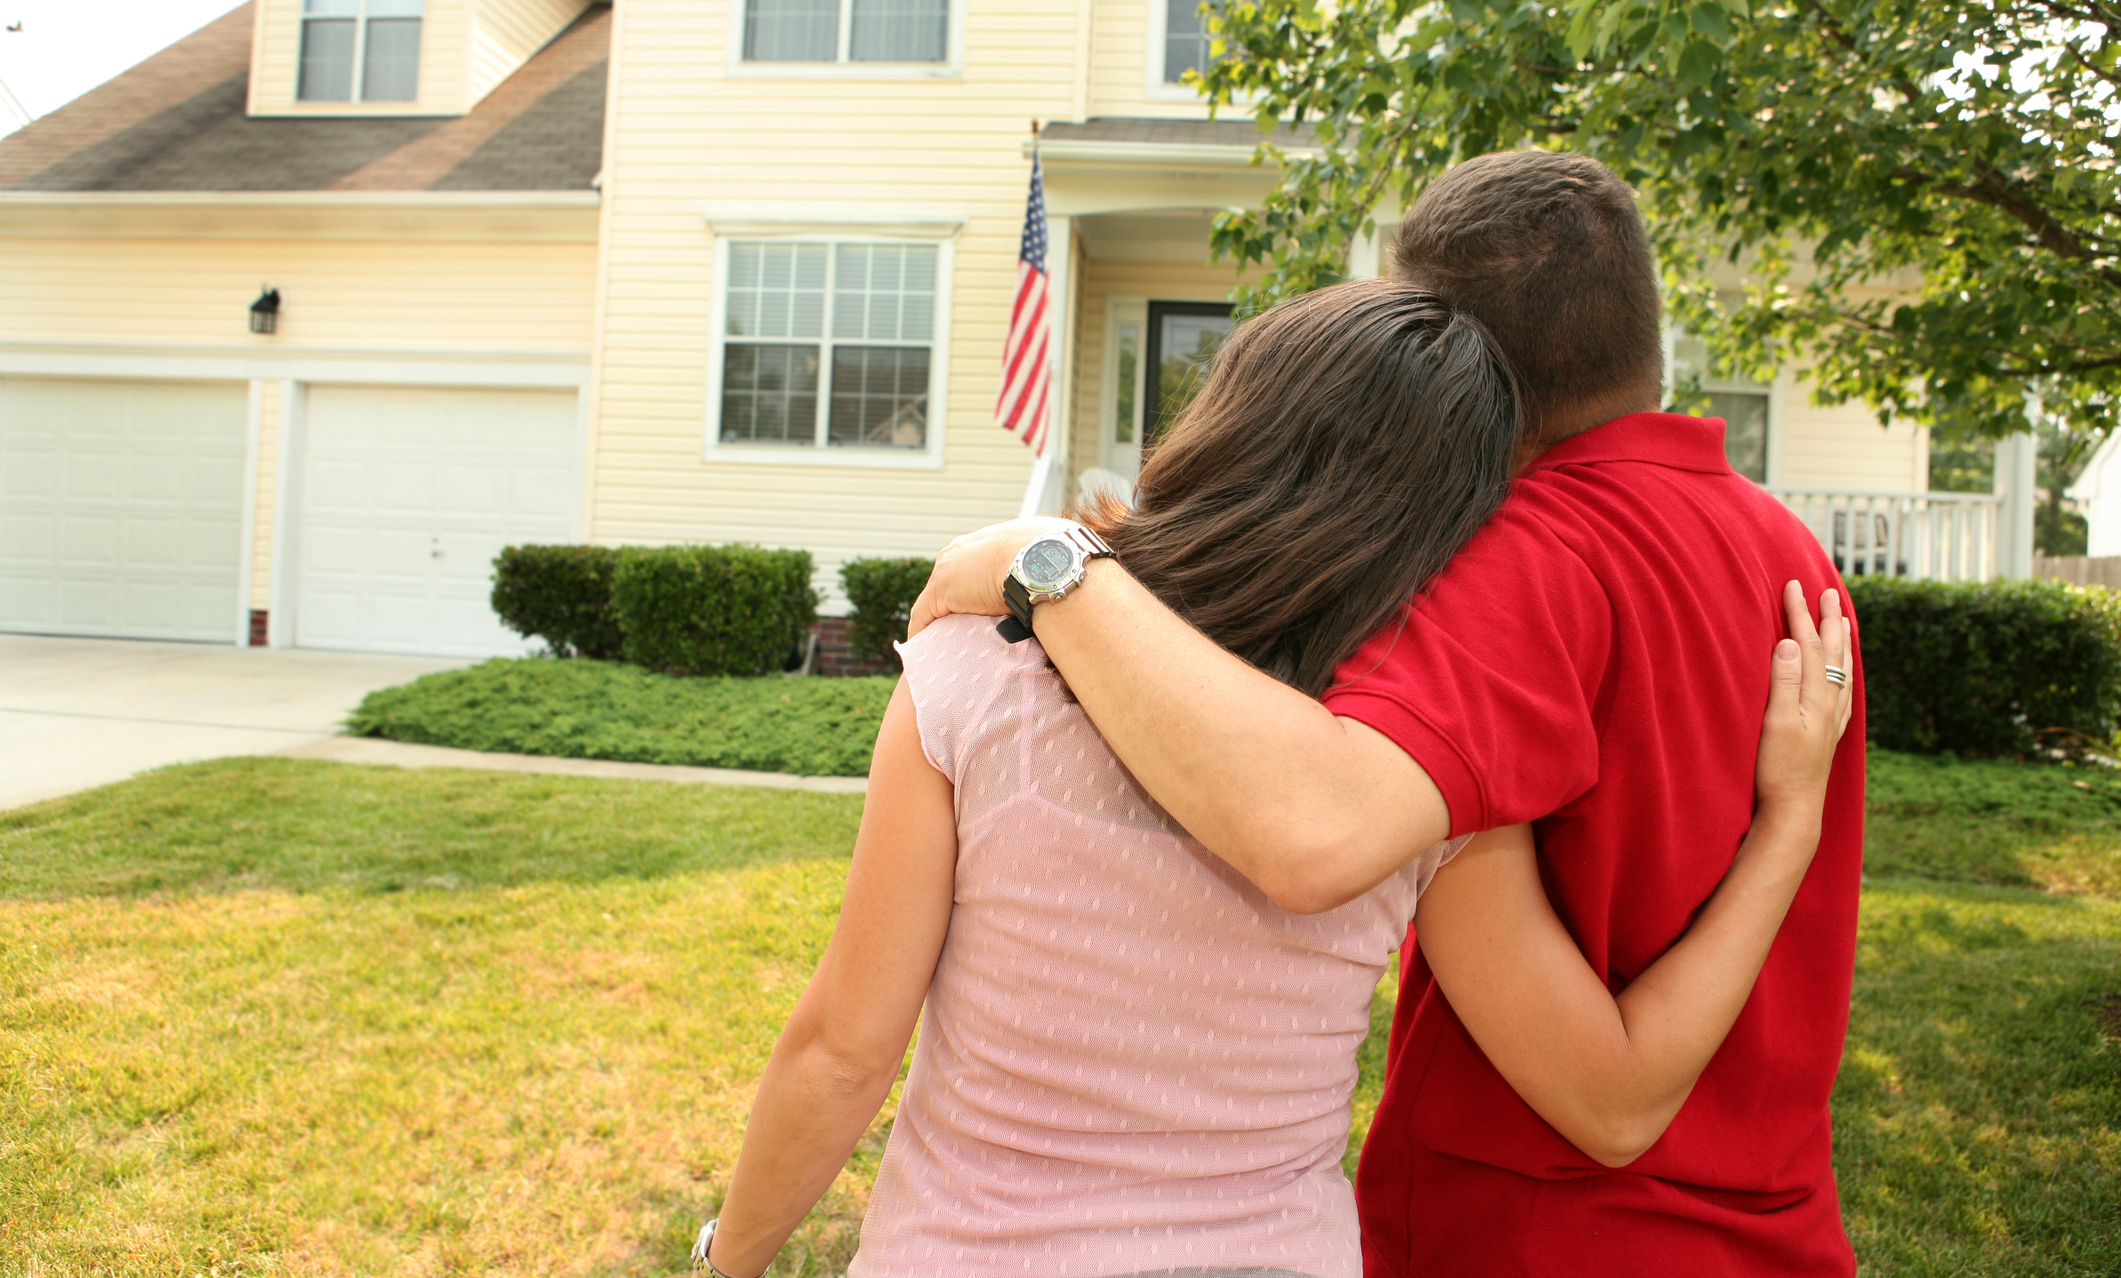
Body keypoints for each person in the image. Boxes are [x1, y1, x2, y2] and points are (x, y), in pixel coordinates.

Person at [693, 280, 1855, 1278]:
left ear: (1231, 417)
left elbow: (845, 1050)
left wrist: (731, 1255)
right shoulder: (1409, 793)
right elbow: (1617, 1095)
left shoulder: (974, 677)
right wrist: (1786, 822)